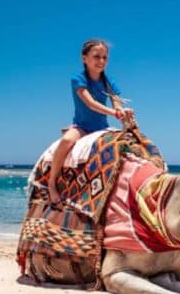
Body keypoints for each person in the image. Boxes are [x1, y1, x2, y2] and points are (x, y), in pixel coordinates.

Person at [48, 39, 134, 205]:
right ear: (84, 58)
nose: (101, 61)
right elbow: (90, 103)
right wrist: (115, 112)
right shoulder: (78, 79)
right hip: (82, 127)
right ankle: (52, 184)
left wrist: (123, 112)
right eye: (96, 56)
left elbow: (117, 102)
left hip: (101, 128)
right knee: (66, 141)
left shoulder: (109, 82)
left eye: (104, 57)